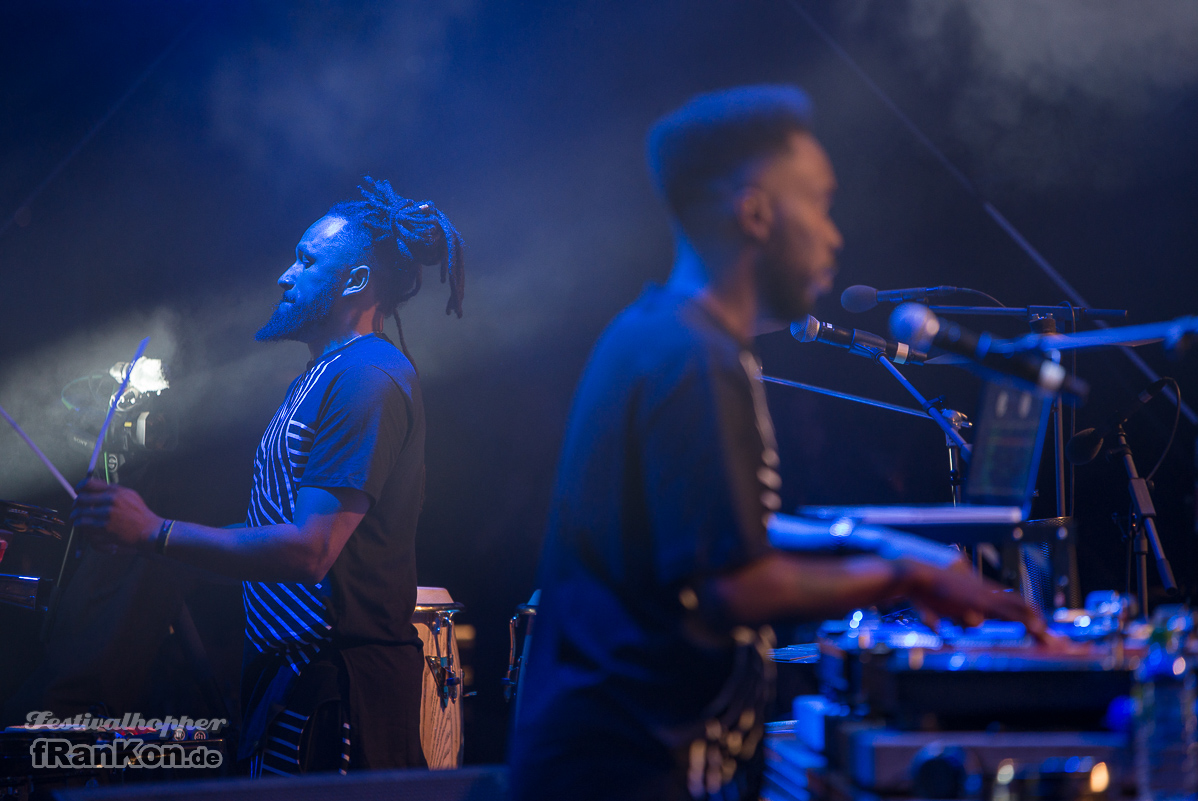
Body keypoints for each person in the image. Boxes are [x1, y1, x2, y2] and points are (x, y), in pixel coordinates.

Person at [507, 86, 1046, 801]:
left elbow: (725, 532)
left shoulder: (669, 338)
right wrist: (910, 579)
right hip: (627, 772)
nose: (834, 235)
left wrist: (893, 550)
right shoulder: (690, 357)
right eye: (819, 203)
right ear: (756, 212)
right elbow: (734, 583)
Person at [71, 177, 465, 775]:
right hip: (297, 684)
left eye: (307, 261)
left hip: (340, 693)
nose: (286, 274)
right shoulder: (323, 375)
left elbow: (309, 551)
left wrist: (155, 532)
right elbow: (276, 538)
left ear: (356, 282)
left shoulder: (368, 377)